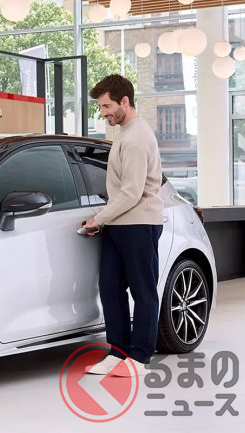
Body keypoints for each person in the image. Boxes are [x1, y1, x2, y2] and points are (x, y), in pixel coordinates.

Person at [82, 74, 164, 377]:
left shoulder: (137, 138)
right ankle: (117, 353)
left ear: (124, 101)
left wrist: (98, 219)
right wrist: (105, 220)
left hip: (139, 223)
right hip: (119, 224)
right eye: (101, 107)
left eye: (106, 106)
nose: (103, 112)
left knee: (143, 291)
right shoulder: (124, 133)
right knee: (110, 287)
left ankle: (140, 358)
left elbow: (131, 192)